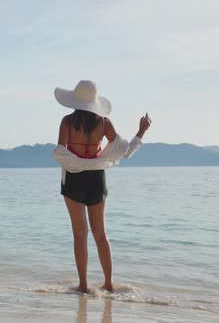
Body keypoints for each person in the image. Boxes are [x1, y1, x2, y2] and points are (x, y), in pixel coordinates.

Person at [52, 80, 151, 293]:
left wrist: (78, 161)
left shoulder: (67, 122)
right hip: (96, 178)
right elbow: (124, 151)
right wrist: (141, 132)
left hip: (73, 178)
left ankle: (84, 285)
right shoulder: (104, 123)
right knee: (101, 234)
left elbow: (61, 151)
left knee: (80, 234)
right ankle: (108, 284)